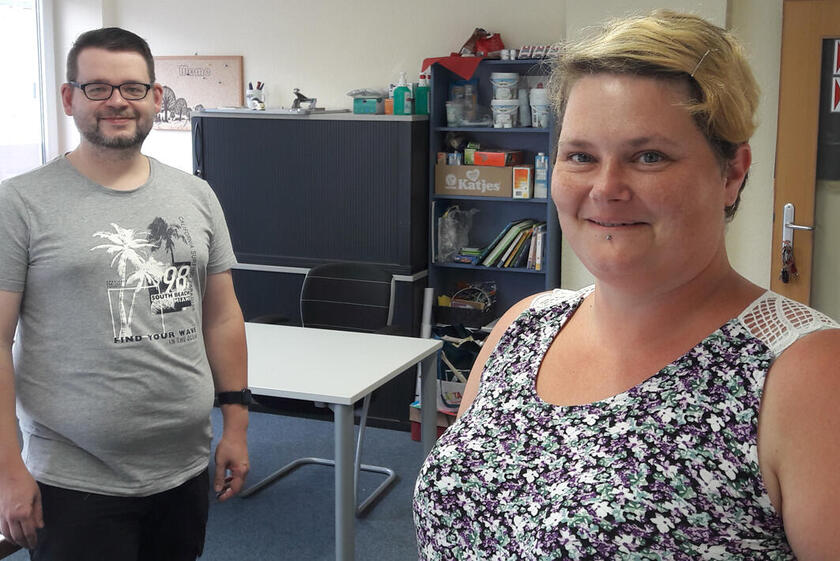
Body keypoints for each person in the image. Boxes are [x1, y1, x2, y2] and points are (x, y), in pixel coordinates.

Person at [414, 10, 840, 560]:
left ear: (731, 173)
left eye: (649, 157)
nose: (606, 188)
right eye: (580, 156)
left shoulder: (806, 373)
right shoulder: (525, 325)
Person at [0, 27, 250, 559]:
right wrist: (6, 469)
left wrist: (236, 423)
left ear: (156, 97)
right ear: (69, 98)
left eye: (133, 88)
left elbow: (222, 316)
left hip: (183, 465)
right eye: (97, 87)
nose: (117, 101)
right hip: (74, 478)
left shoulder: (197, 195)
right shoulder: (19, 204)